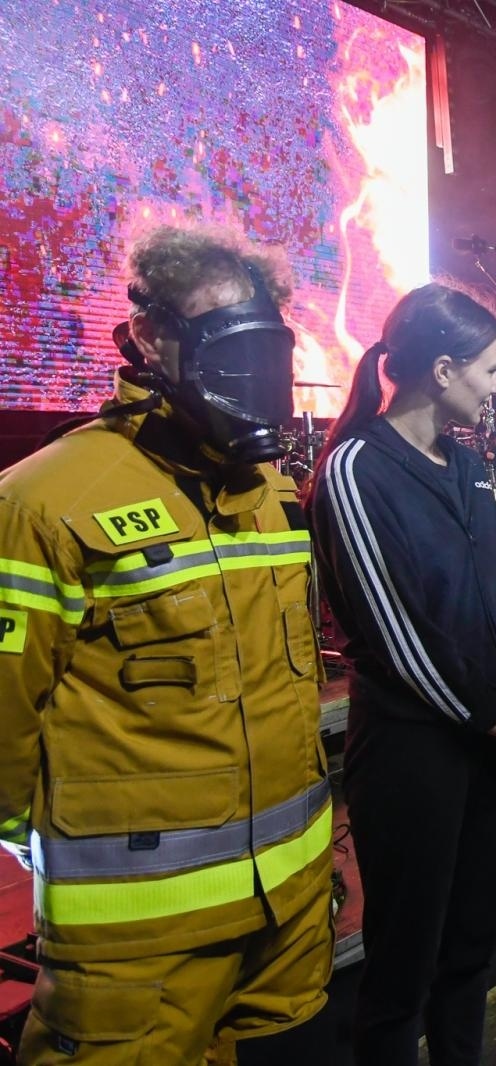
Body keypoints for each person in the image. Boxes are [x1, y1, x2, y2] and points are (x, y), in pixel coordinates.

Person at [0, 224, 334, 1063]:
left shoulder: (271, 496)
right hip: (137, 949)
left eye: (267, 351)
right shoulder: (44, 502)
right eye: (228, 348)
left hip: (286, 923)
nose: (254, 379)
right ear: (149, 337)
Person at [307, 282, 496, 1064]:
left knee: (469, 951)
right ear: (442, 370)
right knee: (404, 967)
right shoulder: (354, 469)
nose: (495, 388)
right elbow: (392, 636)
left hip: (488, 745)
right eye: (486, 370)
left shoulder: (470, 467)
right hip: (416, 755)